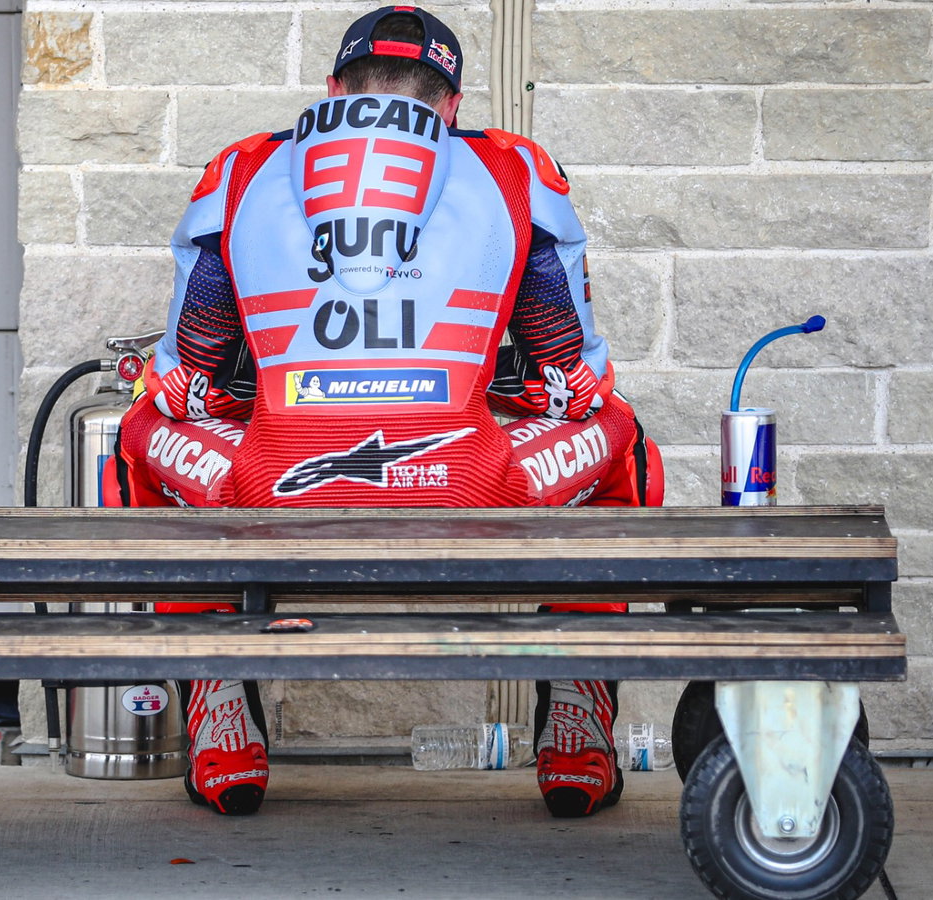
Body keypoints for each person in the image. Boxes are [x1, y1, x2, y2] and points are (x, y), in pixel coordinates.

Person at [109, 5, 664, 819]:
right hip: (475, 487)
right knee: (623, 442)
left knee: (135, 433)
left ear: (333, 88)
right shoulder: (515, 167)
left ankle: (220, 704)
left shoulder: (241, 168)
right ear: (451, 103)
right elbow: (566, 372)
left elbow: (189, 373)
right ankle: (578, 714)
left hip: (275, 488)